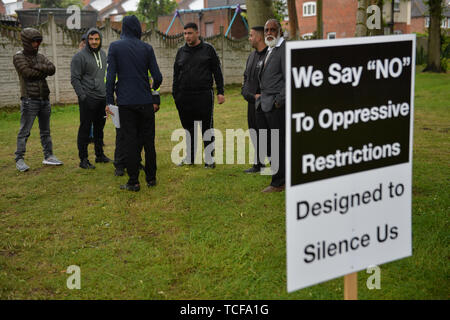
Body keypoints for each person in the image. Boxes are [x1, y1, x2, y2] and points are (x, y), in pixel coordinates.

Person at [106, 15, 162, 192]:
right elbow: (158, 77)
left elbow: (109, 78)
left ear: (123, 28)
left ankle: (133, 182)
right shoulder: (147, 48)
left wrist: (108, 101)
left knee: (129, 141)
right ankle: (151, 178)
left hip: (126, 103)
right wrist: (152, 87)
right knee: (148, 141)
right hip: (145, 102)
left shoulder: (115, 47)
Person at [172, 22, 225, 168]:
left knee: (206, 127)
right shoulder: (181, 52)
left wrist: (220, 91)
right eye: (185, 33)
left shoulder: (208, 50)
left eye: (189, 33)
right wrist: (175, 94)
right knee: (188, 128)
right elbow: (176, 74)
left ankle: (209, 159)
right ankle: (190, 157)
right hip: (184, 96)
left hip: (204, 95)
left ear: (197, 33)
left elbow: (217, 72)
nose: (187, 36)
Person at [13, 27, 63, 172]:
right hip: (29, 100)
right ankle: (19, 159)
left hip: (44, 99)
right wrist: (43, 70)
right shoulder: (18, 56)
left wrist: (36, 66)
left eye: (39, 41)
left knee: (45, 131)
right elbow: (27, 73)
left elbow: (52, 69)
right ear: (26, 42)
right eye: (34, 41)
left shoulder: (40, 56)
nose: (37, 44)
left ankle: (49, 156)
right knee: (24, 131)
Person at [71, 28, 111, 169]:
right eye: (91, 39)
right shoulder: (79, 57)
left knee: (100, 128)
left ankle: (99, 155)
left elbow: (105, 76)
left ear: (100, 40)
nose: (94, 42)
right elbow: (75, 79)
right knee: (85, 129)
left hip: (102, 98)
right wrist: (83, 97)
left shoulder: (103, 54)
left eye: (97, 39)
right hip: (88, 99)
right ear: (87, 40)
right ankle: (83, 160)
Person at [256, 19, 286, 192]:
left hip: (276, 107)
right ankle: (279, 174)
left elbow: (288, 79)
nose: (269, 33)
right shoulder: (269, 49)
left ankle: (279, 182)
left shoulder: (283, 50)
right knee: (268, 143)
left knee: (277, 144)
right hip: (264, 104)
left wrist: (278, 101)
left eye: (273, 29)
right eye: (266, 29)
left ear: (279, 31)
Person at [113, 74, 160, 177]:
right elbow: (111, 80)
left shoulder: (145, 58)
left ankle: (136, 162)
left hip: (142, 103)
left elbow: (154, 79)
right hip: (125, 102)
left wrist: (156, 99)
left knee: (140, 135)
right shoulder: (118, 58)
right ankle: (120, 164)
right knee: (122, 135)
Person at [241, 26, 268, 173]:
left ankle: (276, 165)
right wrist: (245, 92)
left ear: (259, 37)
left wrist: (261, 96)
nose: (249, 38)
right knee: (254, 132)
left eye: (251, 35)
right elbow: (246, 78)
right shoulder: (251, 56)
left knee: (267, 134)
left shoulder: (269, 56)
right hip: (251, 103)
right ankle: (258, 164)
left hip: (264, 104)